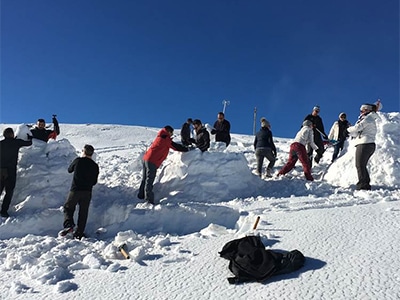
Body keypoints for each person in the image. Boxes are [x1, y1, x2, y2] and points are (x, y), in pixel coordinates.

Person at [138, 126, 188, 204]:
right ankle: (149, 200)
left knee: (145, 178)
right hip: (152, 160)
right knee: (149, 180)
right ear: (169, 131)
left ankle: (141, 195)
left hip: (146, 159)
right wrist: (186, 149)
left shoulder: (160, 136)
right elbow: (175, 146)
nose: (172, 135)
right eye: (171, 133)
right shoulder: (165, 138)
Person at [60, 144, 99, 239]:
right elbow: (94, 182)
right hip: (87, 192)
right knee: (83, 212)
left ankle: (69, 225)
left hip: (75, 190)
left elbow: (69, 170)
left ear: (83, 151)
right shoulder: (95, 166)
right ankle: (79, 233)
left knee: (68, 207)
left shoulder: (78, 161)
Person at [0, 128, 32, 218]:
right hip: (10, 171)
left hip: (0, 170)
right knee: (9, 191)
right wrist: (30, 138)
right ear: (12, 135)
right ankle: (3, 211)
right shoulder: (16, 142)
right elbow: (29, 143)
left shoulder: (1, 143)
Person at [347, 104, 379, 190]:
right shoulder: (367, 119)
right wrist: (349, 133)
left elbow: (358, 127)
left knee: (359, 165)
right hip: (366, 143)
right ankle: (365, 183)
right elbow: (357, 132)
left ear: (367, 110)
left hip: (365, 143)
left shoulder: (368, 118)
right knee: (362, 165)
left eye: (362, 110)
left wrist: (347, 129)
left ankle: (363, 185)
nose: (360, 112)